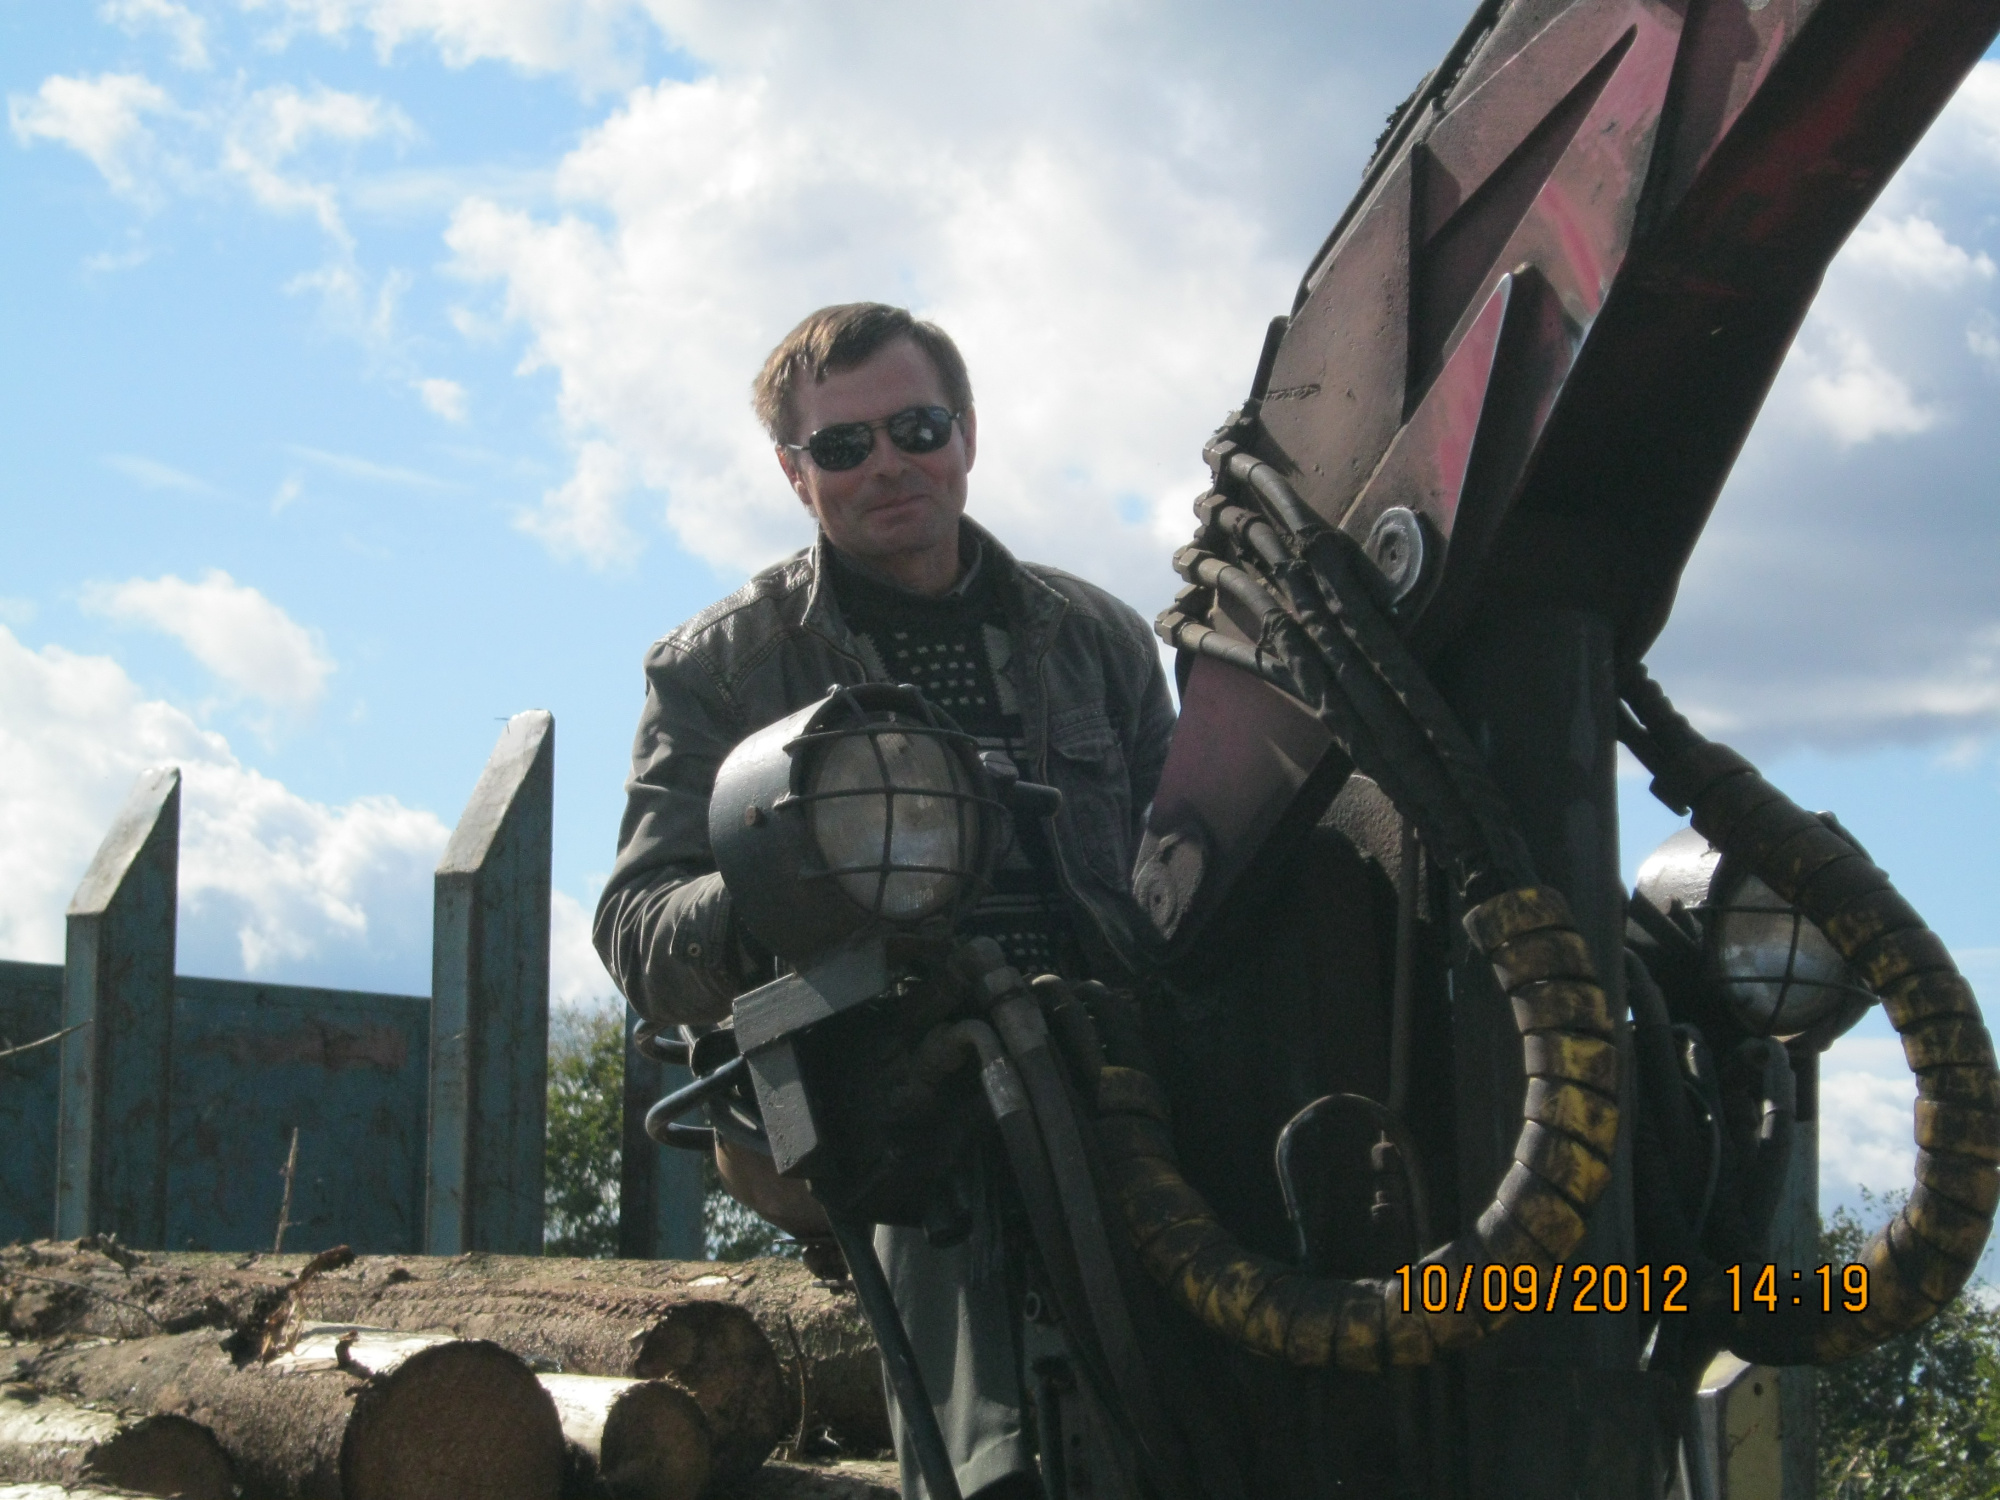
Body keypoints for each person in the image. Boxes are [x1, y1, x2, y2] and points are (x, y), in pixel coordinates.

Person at [593, 302, 1175, 1499]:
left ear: (966, 435)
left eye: (915, 428)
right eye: (843, 445)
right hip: (869, 1077)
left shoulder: (1098, 639)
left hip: (1118, 1048)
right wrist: (794, 881)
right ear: (793, 473)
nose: (888, 464)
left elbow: (1187, 862)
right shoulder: (721, 668)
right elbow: (640, 929)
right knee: (962, 1142)